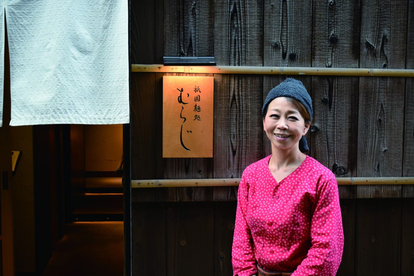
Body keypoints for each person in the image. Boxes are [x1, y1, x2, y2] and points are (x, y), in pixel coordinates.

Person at [232, 78, 344, 276]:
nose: (282, 125)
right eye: (275, 116)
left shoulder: (321, 179)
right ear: (264, 121)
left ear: (306, 126)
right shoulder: (251, 175)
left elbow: (326, 252)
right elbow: (242, 240)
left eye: (292, 117)